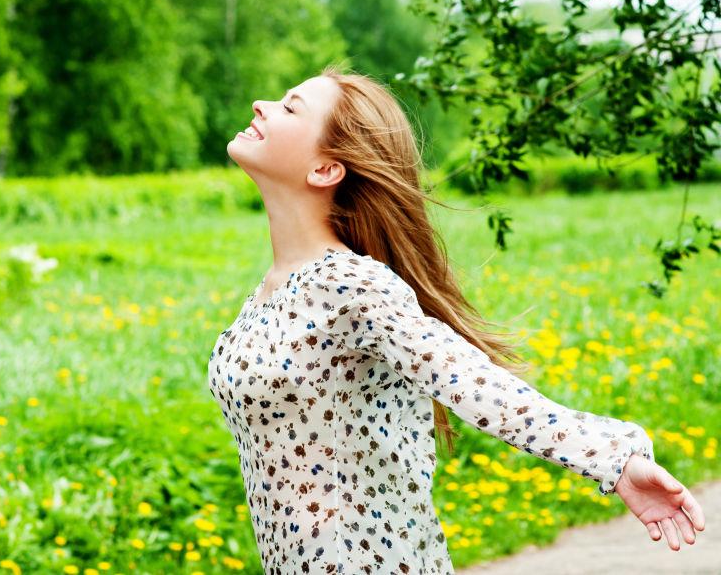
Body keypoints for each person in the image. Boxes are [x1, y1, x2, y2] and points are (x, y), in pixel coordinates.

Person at [207, 64, 705, 574]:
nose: (261, 106)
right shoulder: (270, 292)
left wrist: (614, 460)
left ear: (326, 170)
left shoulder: (351, 285)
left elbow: (469, 380)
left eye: (291, 107)